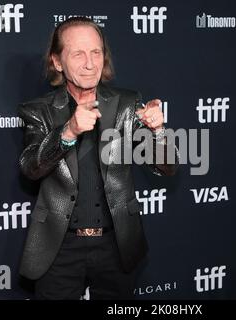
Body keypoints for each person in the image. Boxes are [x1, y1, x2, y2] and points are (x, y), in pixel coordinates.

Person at [18, 17, 178, 300]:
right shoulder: (38, 110)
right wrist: (68, 130)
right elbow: (31, 167)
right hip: (59, 248)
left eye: (96, 52)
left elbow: (167, 166)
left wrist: (159, 132)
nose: (90, 63)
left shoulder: (127, 104)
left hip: (116, 245)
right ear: (57, 62)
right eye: (78, 53)